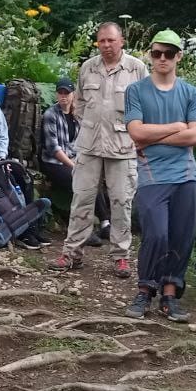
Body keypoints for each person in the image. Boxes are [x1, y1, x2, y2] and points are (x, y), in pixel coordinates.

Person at [48, 21, 148, 277]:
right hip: (89, 145)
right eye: (101, 41)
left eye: (111, 40)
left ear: (121, 41)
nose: (106, 45)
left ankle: (121, 257)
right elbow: (79, 105)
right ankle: (72, 254)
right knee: (81, 199)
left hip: (123, 147)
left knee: (121, 202)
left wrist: (137, 137)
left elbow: (147, 107)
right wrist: (93, 127)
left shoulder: (136, 69)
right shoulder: (88, 67)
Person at [123, 30, 196, 322]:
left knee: (181, 236)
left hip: (185, 175)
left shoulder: (191, 92)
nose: (162, 58)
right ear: (150, 54)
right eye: (157, 53)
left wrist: (152, 137)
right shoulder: (136, 91)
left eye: (168, 53)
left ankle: (169, 294)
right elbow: (136, 132)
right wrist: (176, 126)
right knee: (156, 233)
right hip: (151, 175)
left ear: (178, 56)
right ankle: (145, 289)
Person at [40, 77, 109, 246]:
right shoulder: (50, 115)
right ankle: (84, 230)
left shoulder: (77, 114)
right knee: (81, 181)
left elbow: (83, 141)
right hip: (53, 162)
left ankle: (106, 223)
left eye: (67, 93)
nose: (63, 96)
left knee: (93, 176)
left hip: (74, 158)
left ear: (73, 95)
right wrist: (75, 166)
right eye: (60, 92)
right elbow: (54, 149)